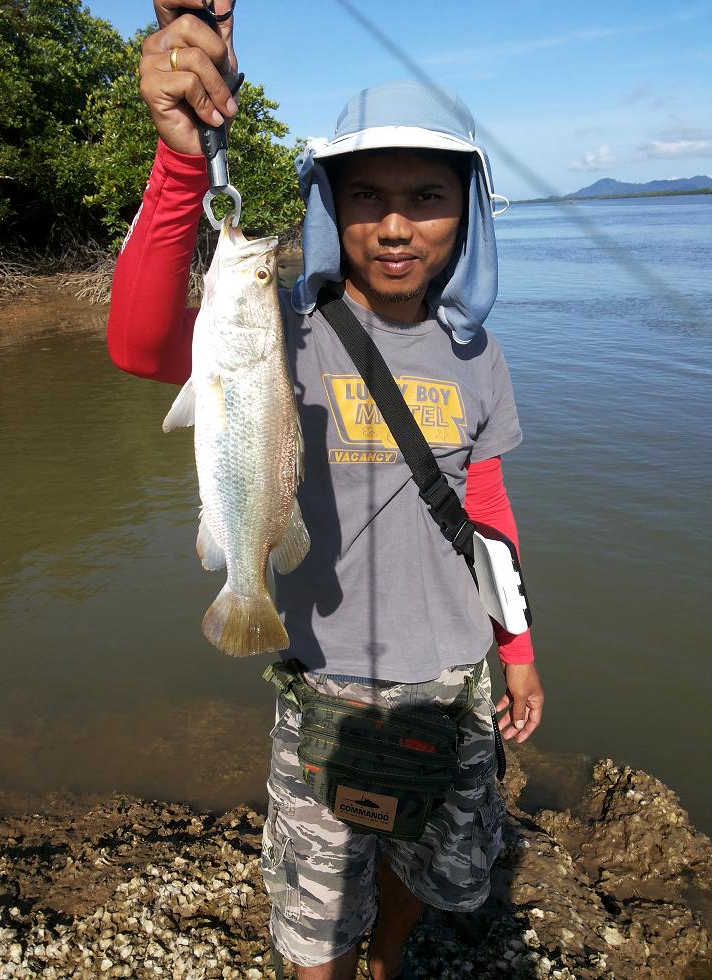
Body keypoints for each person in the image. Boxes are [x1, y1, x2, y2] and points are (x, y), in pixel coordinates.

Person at [108, 3, 545, 978]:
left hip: (453, 681)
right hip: (323, 682)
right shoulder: (278, 326)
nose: (395, 225)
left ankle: (388, 954)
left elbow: (490, 515)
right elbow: (139, 346)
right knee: (312, 914)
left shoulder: (480, 356)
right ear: (327, 206)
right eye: (366, 197)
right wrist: (185, 164)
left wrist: (516, 649)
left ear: (467, 208)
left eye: (427, 195)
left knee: (431, 868)